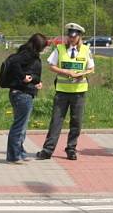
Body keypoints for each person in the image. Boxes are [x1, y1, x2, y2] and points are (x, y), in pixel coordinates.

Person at [36, 23, 94, 161]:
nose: (71, 39)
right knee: (56, 121)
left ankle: (71, 149)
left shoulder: (86, 50)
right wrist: (65, 71)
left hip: (79, 92)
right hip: (62, 92)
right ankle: (47, 150)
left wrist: (82, 74)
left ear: (79, 36)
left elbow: (91, 68)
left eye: (74, 36)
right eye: (69, 36)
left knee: (76, 122)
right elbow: (51, 65)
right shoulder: (59, 49)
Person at [5, 33, 47, 164]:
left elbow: (31, 71)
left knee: (22, 127)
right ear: (38, 46)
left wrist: (35, 82)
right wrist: (23, 77)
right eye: (43, 47)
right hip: (22, 94)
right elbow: (14, 64)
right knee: (19, 126)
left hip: (23, 93)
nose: (43, 50)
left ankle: (20, 152)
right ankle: (13, 155)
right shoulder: (27, 54)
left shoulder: (27, 53)